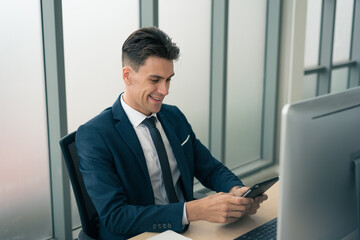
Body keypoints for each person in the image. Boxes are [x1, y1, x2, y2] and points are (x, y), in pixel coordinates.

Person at [76, 27, 268, 240]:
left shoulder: (173, 117)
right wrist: (193, 210)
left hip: (186, 230)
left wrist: (236, 191)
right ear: (127, 75)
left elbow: (209, 168)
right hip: (138, 235)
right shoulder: (95, 135)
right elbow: (116, 216)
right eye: (155, 80)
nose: (165, 90)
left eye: (169, 80)